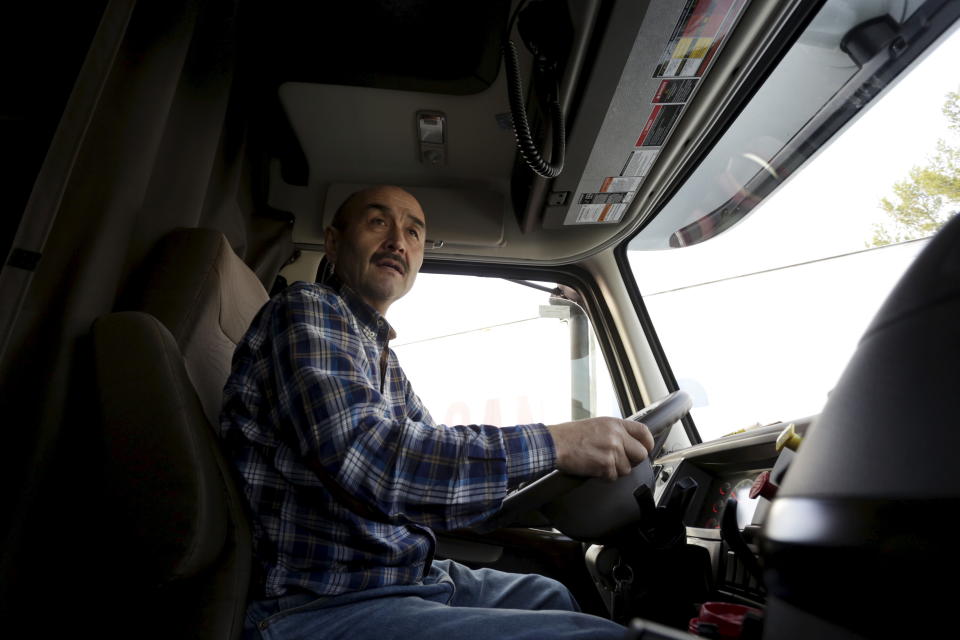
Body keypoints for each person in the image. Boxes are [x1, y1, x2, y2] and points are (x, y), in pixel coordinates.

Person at [220, 185, 655, 639]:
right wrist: (556, 443)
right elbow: (372, 459)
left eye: (413, 232)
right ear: (333, 242)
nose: (397, 241)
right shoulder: (307, 309)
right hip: (319, 601)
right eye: (377, 223)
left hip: (401, 579)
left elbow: (431, 453)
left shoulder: (381, 357)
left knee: (553, 595)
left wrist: (547, 475)